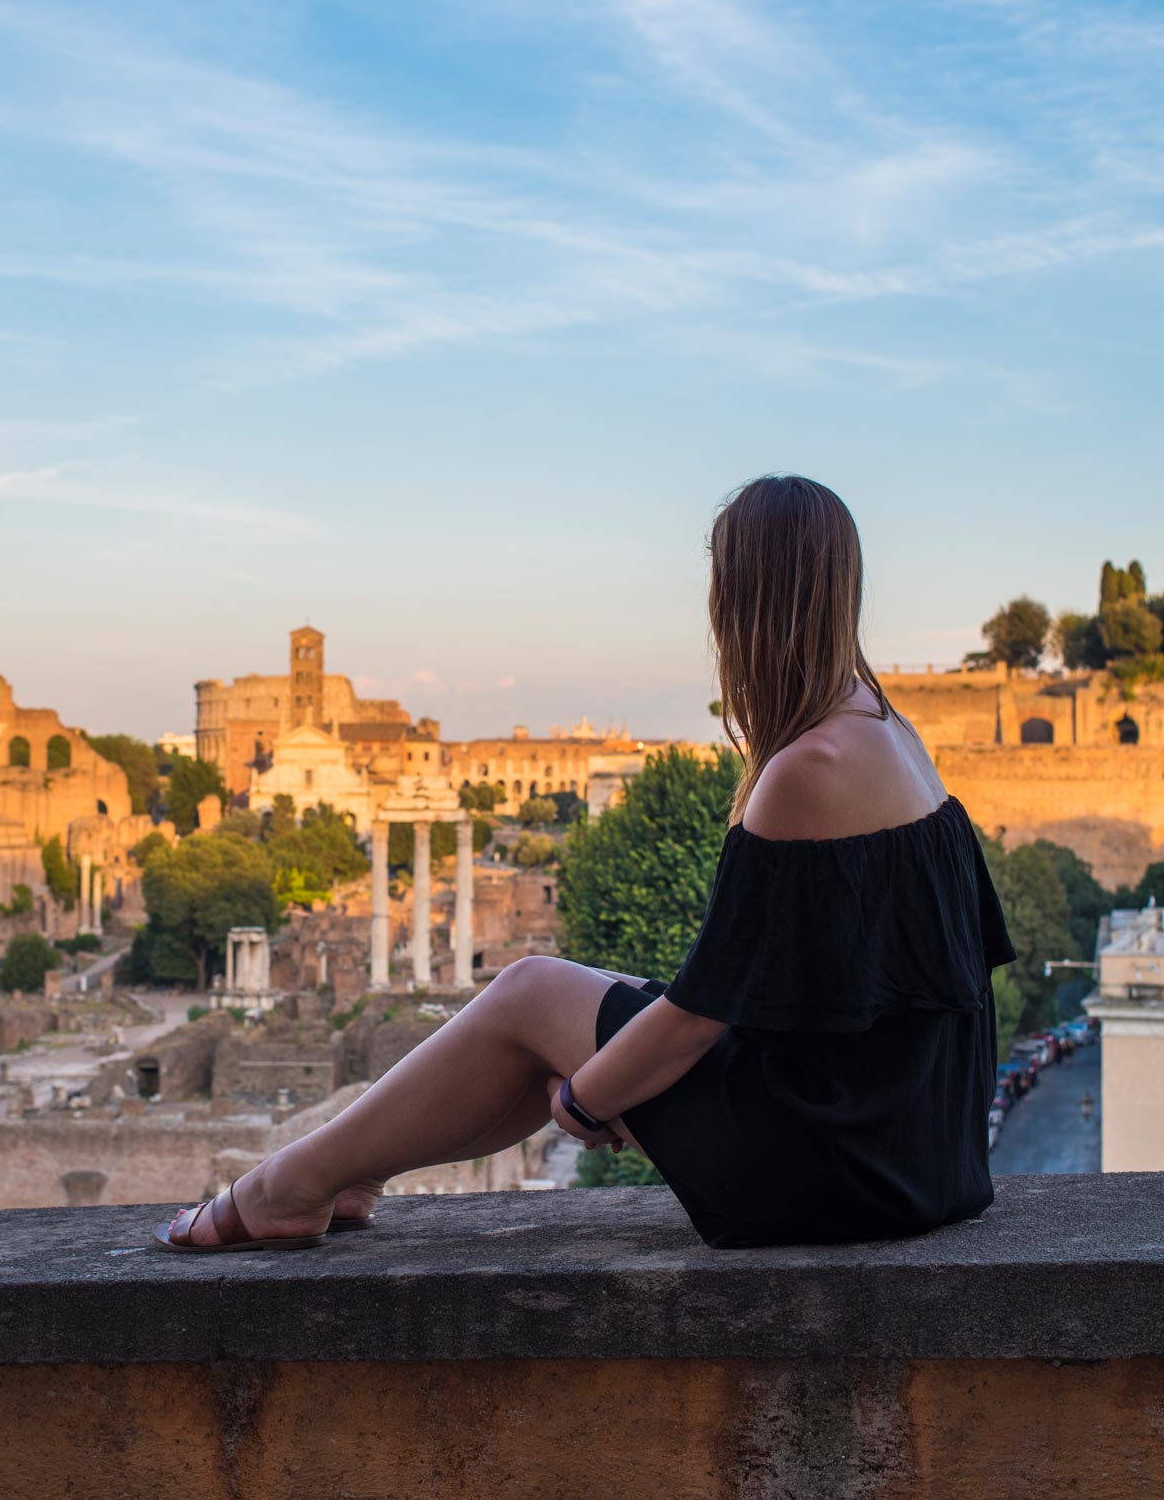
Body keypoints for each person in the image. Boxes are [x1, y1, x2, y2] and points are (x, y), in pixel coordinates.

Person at [156, 474, 1014, 1252]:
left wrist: (588, 1097)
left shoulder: (806, 769)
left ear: (740, 599)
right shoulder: (892, 733)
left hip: (834, 1168)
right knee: (575, 994)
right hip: (923, 1153)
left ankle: (284, 1187)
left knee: (531, 990)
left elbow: (700, 1015)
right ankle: (353, 1169)